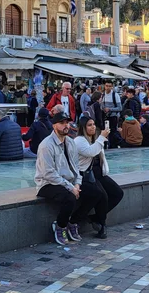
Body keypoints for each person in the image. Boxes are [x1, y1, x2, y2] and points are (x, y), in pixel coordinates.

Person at [35, 113, 103, 245]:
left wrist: (77, 184)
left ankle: (73, 222)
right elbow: (48, 173)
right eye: (62, 123)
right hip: (48, 183)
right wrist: (70, 187)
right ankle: (60, 226)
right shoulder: (46, 145)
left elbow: (76, 167)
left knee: (96, 193)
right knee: (69, 198)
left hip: (68, 182)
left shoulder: (70, 142)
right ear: (54, 126)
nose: (66, 125)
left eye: (67, 122)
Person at [74, 116, 124, 239]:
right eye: (89, 125)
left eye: (94, 124)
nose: (93, 127)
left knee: (118, 193)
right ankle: (102, 225)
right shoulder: (79, 140)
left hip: (97, 172)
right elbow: (90, 152)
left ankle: (94, 218)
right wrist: (102, 137)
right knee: (102, 195)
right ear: (83, 127)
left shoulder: (94, 138)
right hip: (85, 173)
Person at [101, 82, 123, 148]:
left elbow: (120, 108)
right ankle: (105, 146)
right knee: (105, 132)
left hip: (113, 117)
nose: (108, 87)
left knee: (112, 133)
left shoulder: (115, 95)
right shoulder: (102, 95)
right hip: (104, 117)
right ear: (104, 86)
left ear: (112, 87)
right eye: (107, 86)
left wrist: (110, 109)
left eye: (109, 86)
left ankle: (113, 147)